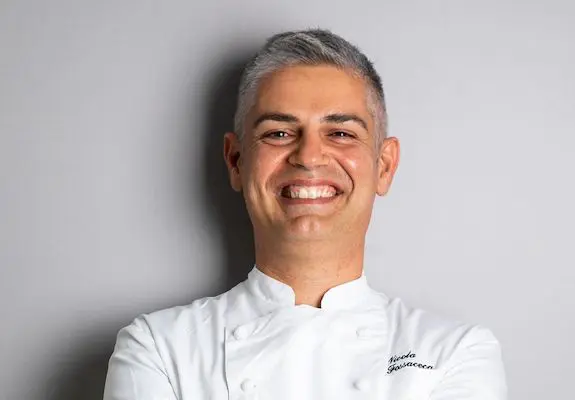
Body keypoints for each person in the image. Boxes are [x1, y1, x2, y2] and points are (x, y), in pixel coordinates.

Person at [103, 29, 507, 400]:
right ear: (236, 161)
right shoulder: (159, 348)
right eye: (278, 133)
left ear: (384, 166)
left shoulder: (456, 354)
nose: (309, 157)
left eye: (341, 133)